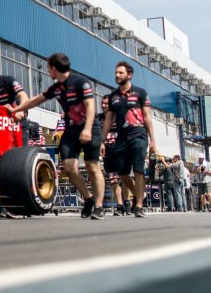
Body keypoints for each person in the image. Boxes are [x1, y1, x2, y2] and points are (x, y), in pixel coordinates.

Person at [9, 53, 105, 220]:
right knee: (68, 167)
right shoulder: (56, 88)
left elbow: (90, 105)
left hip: (90, 128)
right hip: (71, 131)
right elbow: (36, 100)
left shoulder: (81, 82)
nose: (48, 72)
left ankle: (99, 206)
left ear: (54, 68)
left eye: (48, 68)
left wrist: (88, 129)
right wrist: (15, 109)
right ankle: (88, 199)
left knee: (92, 167)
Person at [102, 61, 156, 218]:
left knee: (138, 171)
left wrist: (153, 140)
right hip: (121, 138)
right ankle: (139, 195)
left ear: (129, 75)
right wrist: (102, 141)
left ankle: (138, 206)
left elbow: (147, 116)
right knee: (123, 173)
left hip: (139, 135)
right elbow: (108, 120)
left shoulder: (140, 93)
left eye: (120, 73)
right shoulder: (113, 96)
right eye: (116, 72)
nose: (117, 75)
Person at [98, 97, 124, 216]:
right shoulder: (99, 118)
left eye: (106, 103)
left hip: (121, 148)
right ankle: (120, 205)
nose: (104, 105)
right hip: (107, 149)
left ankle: (128, 201)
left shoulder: (119, 117)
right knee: (113, 177)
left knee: (124, 176)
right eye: (102, 103)